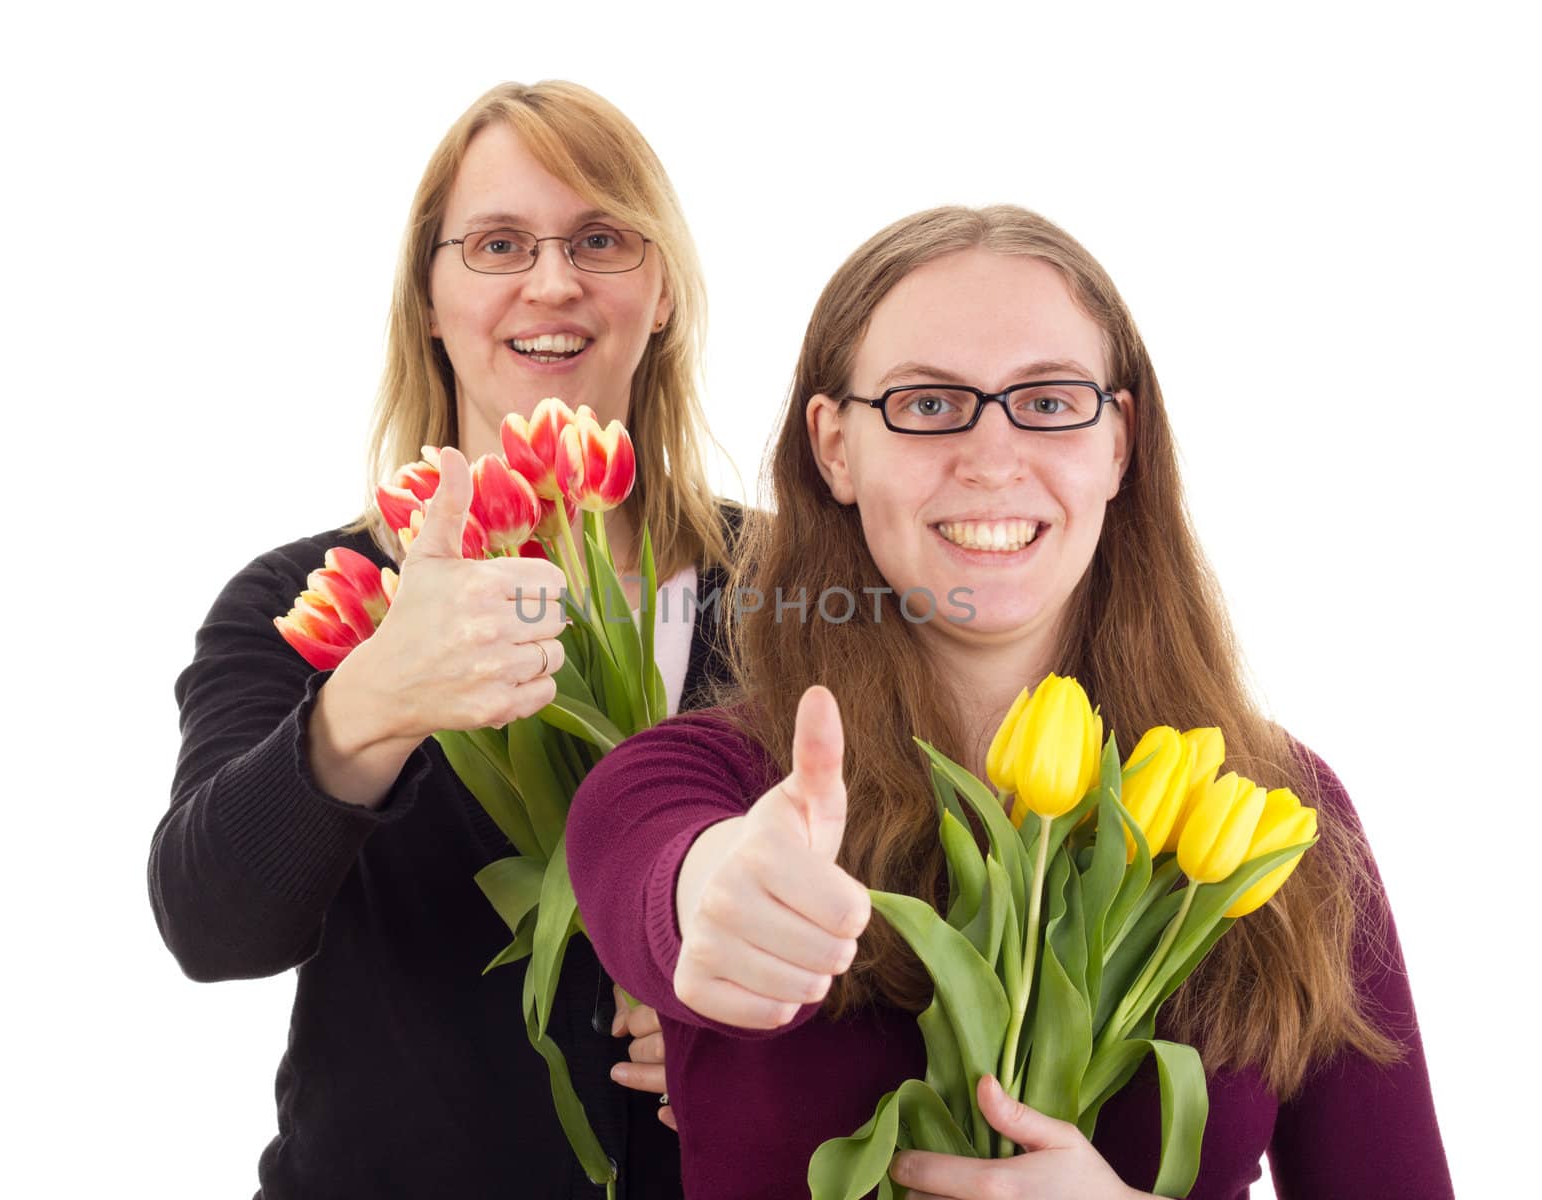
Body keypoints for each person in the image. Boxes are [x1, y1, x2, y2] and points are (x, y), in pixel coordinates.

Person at [567, 205, 1454, 1199]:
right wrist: (721, 899)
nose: (991, 458)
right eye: (929, 405)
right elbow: (664, 878)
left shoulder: (1275, 807)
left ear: (1119, 441)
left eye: (1047, 401)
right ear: (834, 448)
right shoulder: (694, 781)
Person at [149, 80, 737, 1199]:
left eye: (601, 239)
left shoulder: (790, 588)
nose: (552, 281)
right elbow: (210, 927)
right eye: (498, 243)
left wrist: (774, 1022)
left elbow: (894, 916)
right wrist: (369, 701)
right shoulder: (312, 598)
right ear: (427, 296)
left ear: (660, 291)